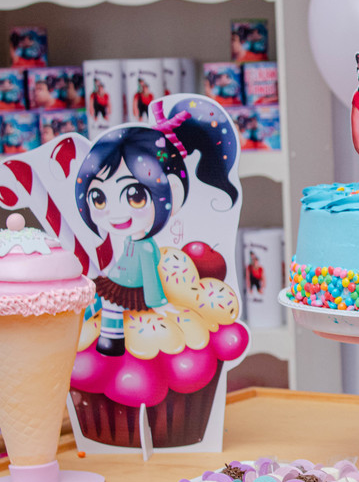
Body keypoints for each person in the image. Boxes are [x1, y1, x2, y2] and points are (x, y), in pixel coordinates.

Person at [76, 98, 240, 355]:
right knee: (94, 306)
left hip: (130, 289)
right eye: (98, 198)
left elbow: (151, 277)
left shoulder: (146, 247)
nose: (115, 212)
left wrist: (159, 303)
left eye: (134, 196)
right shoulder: (131, 241)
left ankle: (112, 341)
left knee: (111, 309)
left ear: (173, 191)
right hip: (117, 280)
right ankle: (99, 337)